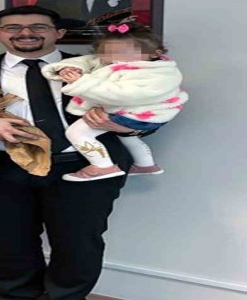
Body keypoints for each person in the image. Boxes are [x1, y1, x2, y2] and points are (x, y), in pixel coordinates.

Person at [0, 6, 145, 300]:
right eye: (13, 27)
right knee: (7, 239)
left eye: (38, 26)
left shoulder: (99, 66)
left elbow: (152, 102)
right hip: (0, 167)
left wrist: (128, 126)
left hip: (82, 166)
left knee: (77, 241)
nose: (26, 33)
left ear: (59, 33)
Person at [41, 22, 188, 182]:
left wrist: (81, 82)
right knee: (127, 138)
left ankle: (103, 166)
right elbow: (88, 61)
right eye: (105, 52)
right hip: (135, 114)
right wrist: (68, 67)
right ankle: (145, 165)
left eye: (122, 52)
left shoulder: (157, 74)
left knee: (76, 133)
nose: (112, 57)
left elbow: (123, 95)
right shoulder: (111, 62)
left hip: (138, 114)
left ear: (154, 53)